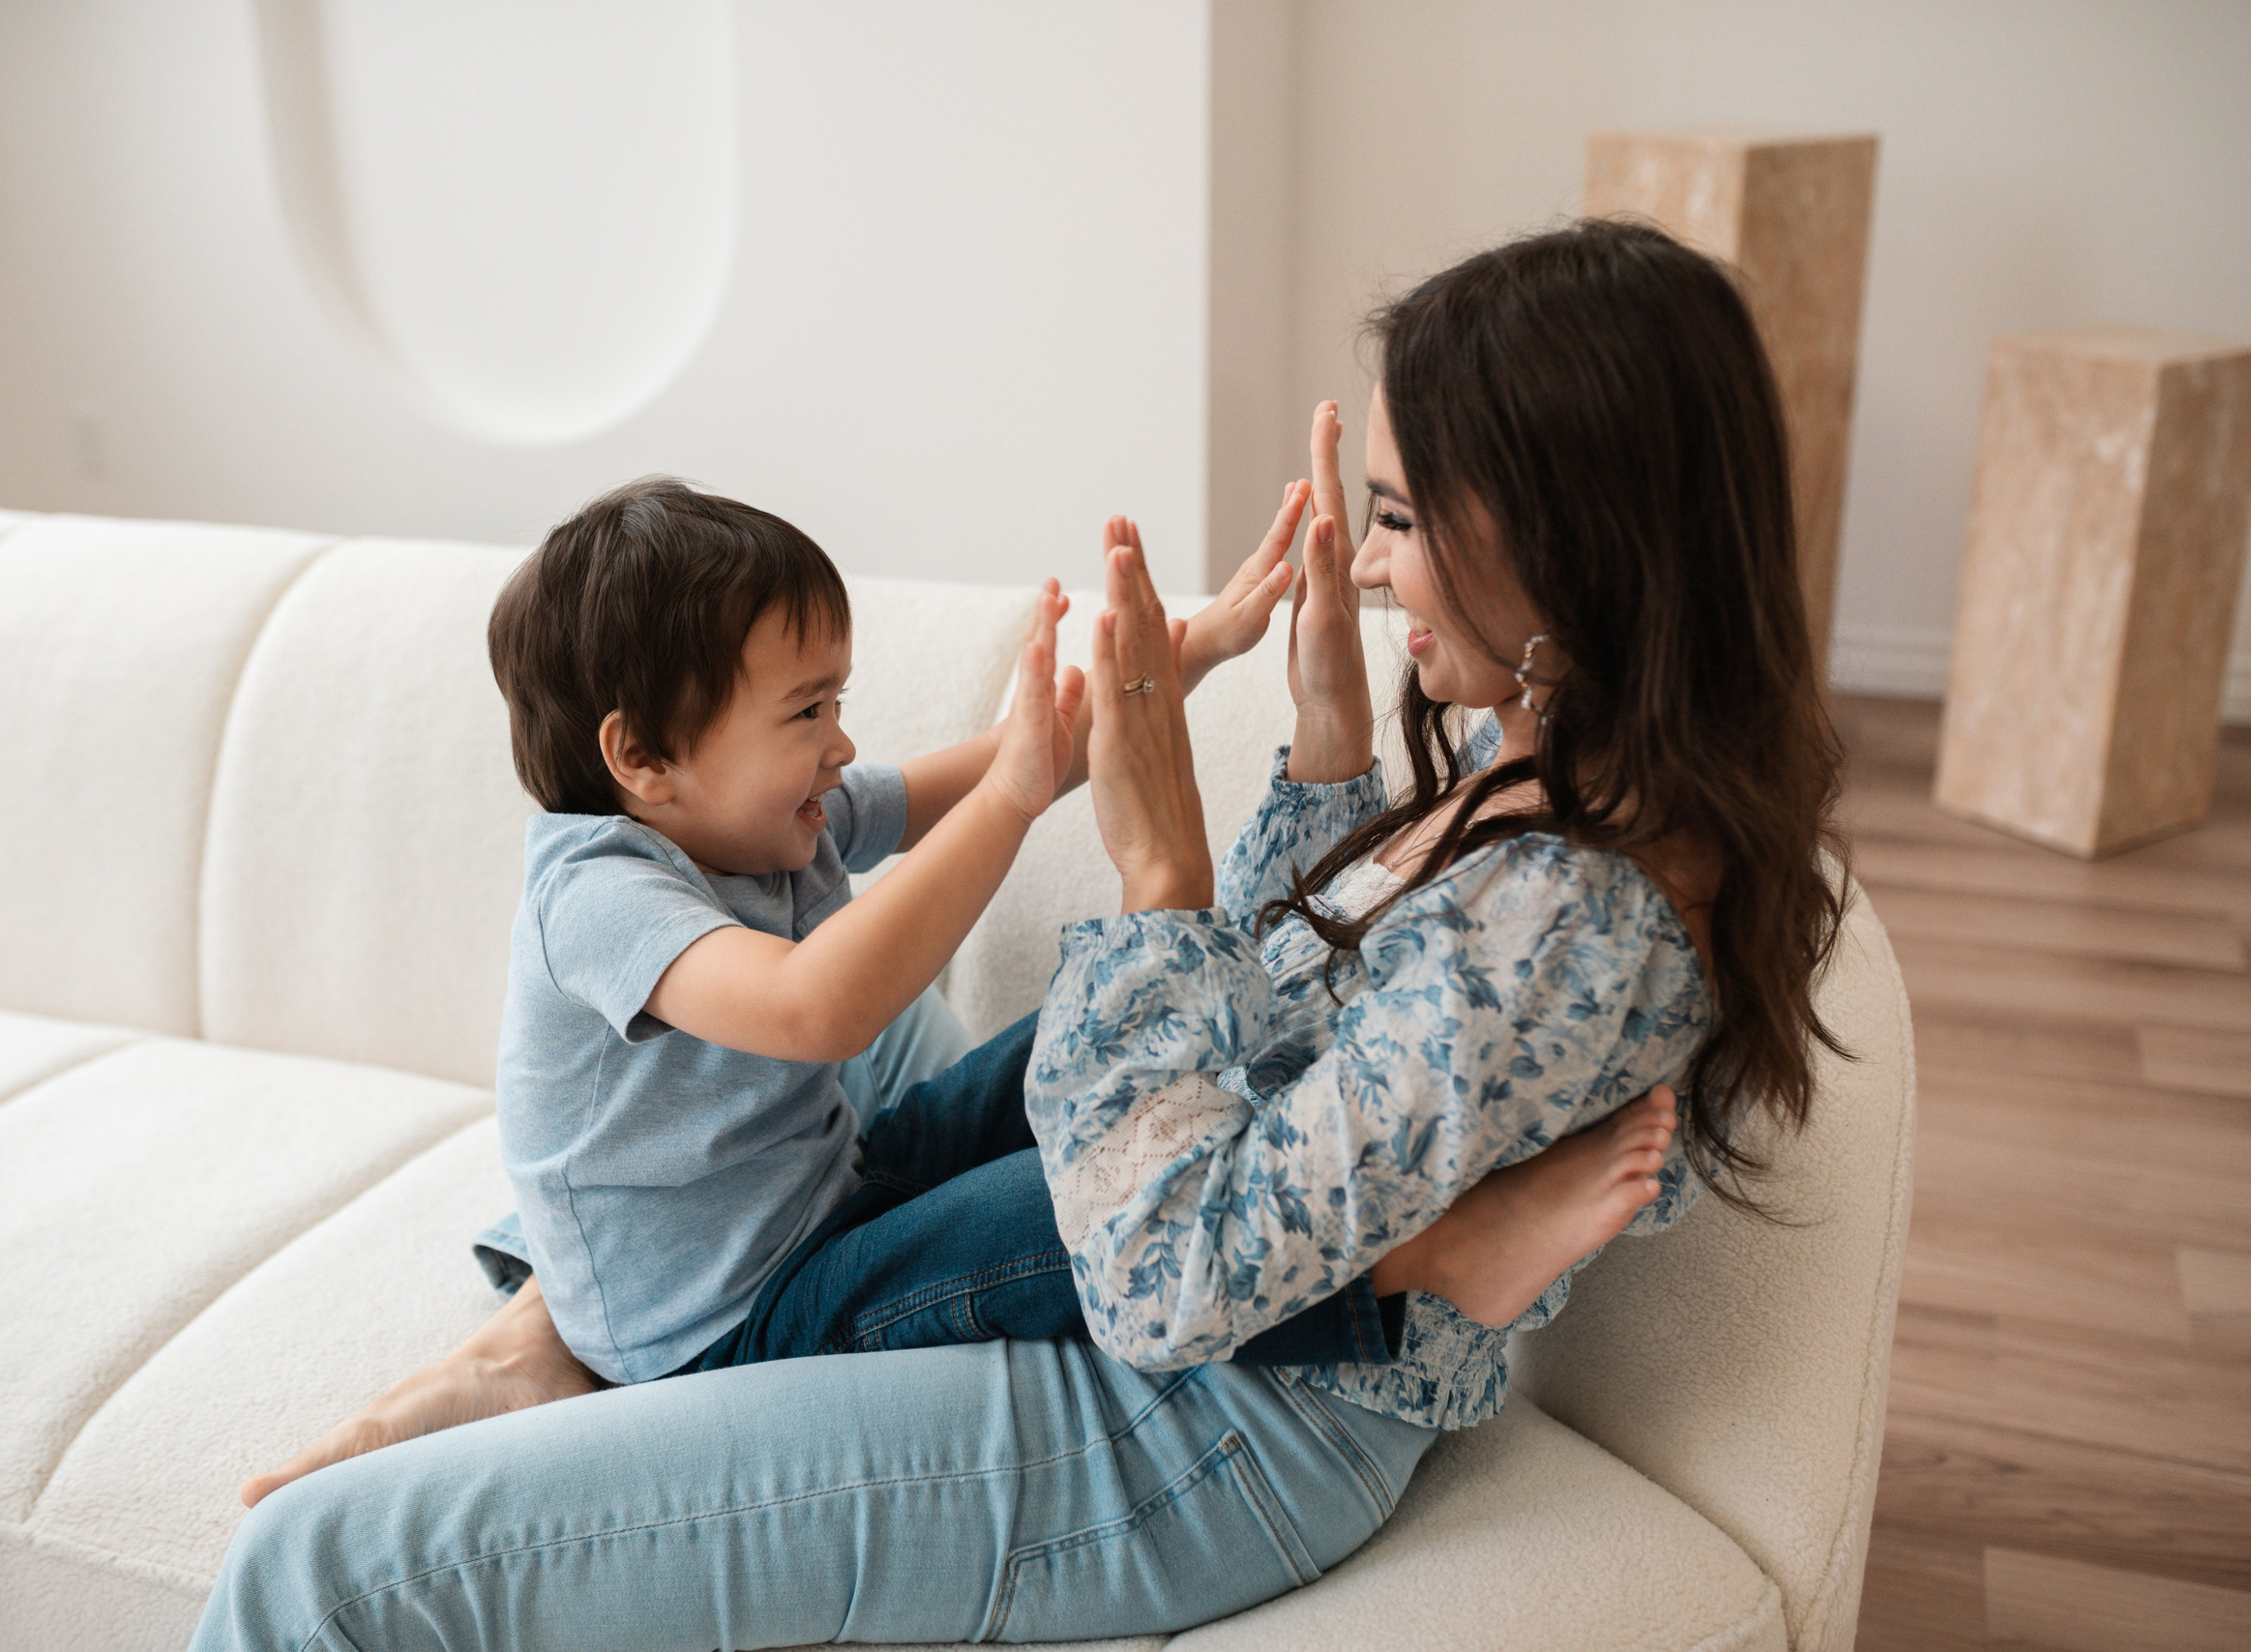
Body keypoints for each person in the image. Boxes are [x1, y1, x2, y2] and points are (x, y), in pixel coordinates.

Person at [193, 218, 1846, 1649]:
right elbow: (1298, 1004)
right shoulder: (1531, 763)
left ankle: (589, 1320)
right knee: (849, 1070)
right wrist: (1330, 744)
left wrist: (1158, 879)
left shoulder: (1571, 912)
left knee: (312, 1566)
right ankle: (566, 1319)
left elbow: (1177, 1266)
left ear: (1564, 536)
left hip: (1220, 1405)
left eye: (1404, 519)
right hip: (1211, 1257)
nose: (1375, 564)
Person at [442, 476, 1398, 1411]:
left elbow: (1018, 756)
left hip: (831, 1189)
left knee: (1084, 1031)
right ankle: (1391, 1259)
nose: (842, 745)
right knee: (1077, 1204)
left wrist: (1192, 652)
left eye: (838, 703)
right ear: (643, 757)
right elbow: (814, 1007)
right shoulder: (595, 894)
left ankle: (1301, 1056)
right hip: (726, 1324)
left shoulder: (772, 815)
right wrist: (1007, 801)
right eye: (806, 711)